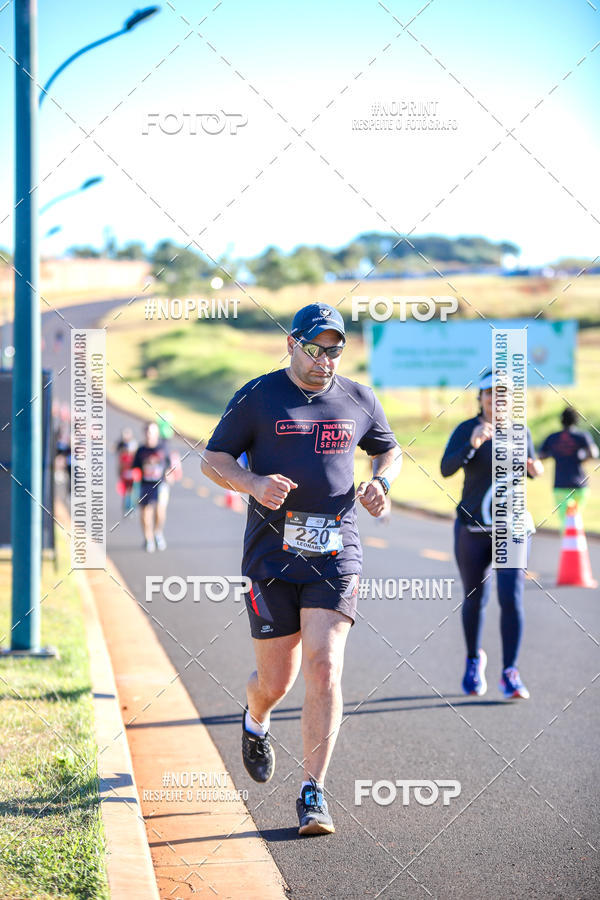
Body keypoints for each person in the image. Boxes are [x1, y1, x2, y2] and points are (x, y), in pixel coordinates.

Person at [201, 303, 401, 836]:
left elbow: (390, 449)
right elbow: (213, 458)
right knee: (276, 679)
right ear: (293, 343)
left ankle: (313, 791)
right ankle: (255, 719)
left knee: (324, 667)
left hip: (336, 553)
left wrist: (382, 484)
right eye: (317, 348)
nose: (326, 360)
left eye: (336, 350)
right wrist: (251, 484)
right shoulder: (258, 396)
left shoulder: (358, 398)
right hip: (271, 556)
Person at [440, 371, 543, 701]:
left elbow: (529, 465)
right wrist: (472, 444)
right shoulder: (466, 429)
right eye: (489, 394)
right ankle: (473, 660)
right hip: (472, 528)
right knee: (475, 598)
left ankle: (510, 673)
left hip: (510, 529)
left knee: (511, 598)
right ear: (480, 398)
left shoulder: (520, 430)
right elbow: (446, 468)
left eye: (503, 394)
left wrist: (533, 467)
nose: (496, 399)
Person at [538, 407, 599, 530]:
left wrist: (555, 453)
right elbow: (594, 453)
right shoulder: (582, 436)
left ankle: (569, 546)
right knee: (576, 518)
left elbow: (541, 455)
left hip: (560, 486)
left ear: (561, 420)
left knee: (566, 522)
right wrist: (582, 457)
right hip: (580, 486)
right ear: (576, 420)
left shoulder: (553, 437)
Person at [131, 421, 173, 552]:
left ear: (157, 433)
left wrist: (169, 473)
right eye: (148, 432)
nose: (150, 434)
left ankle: (158, 533)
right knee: (145, 514)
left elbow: (169, 465)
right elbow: (135, 468)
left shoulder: (163, 448)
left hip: (161, 484)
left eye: (152, 431)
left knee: (160, 511)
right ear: (145, 433)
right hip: (145, 485)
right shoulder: (141, 450)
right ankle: (148, 538)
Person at [115, 427, 138, 514]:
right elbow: (120, 466)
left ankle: (131, 507)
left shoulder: (134, 457)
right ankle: (126, 505)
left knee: (132, 491)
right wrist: (119, 474)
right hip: (125, 476)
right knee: (125, 492)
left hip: (133, 476)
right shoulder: (123, 456)